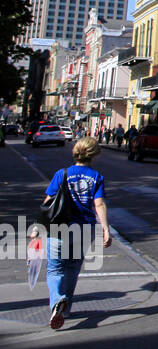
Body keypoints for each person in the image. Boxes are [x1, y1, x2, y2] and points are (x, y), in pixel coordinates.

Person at [36, 136, 111, 329]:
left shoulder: (61, 174)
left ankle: (57, 301)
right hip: (84, 228)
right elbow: (99, 204)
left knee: (55, 269)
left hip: (59, 227)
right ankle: (65, 307)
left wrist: (37, 227)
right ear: (94, 155)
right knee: (72, 268)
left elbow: (47, 203)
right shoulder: (96, 176)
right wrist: (105, 229)